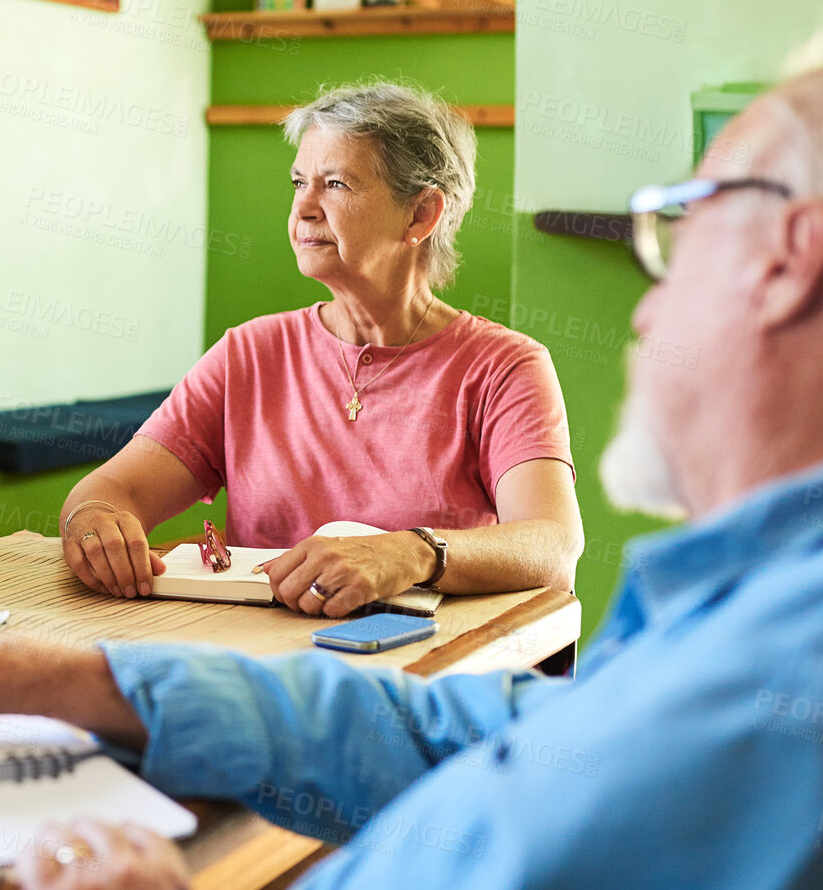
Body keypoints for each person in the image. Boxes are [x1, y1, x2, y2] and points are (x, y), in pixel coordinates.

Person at [0, 59, 823, 890]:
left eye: (680, 230)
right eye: (299, 181)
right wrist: (35, 666)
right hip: (266, 673)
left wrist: (409, 549)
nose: (646, 308)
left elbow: (544, 560)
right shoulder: (731, 612)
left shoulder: (781, 653)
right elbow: (459, 731)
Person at [61, 82, 581, 616]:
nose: (305, 207)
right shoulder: (248, 354)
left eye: (335, 184)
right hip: (253, 663)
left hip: (422, 675)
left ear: (421, 215)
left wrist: (412, 551)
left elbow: (553, 547)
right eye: (298, 182)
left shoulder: (505, 366)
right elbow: (112, 490)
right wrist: (93, 520)